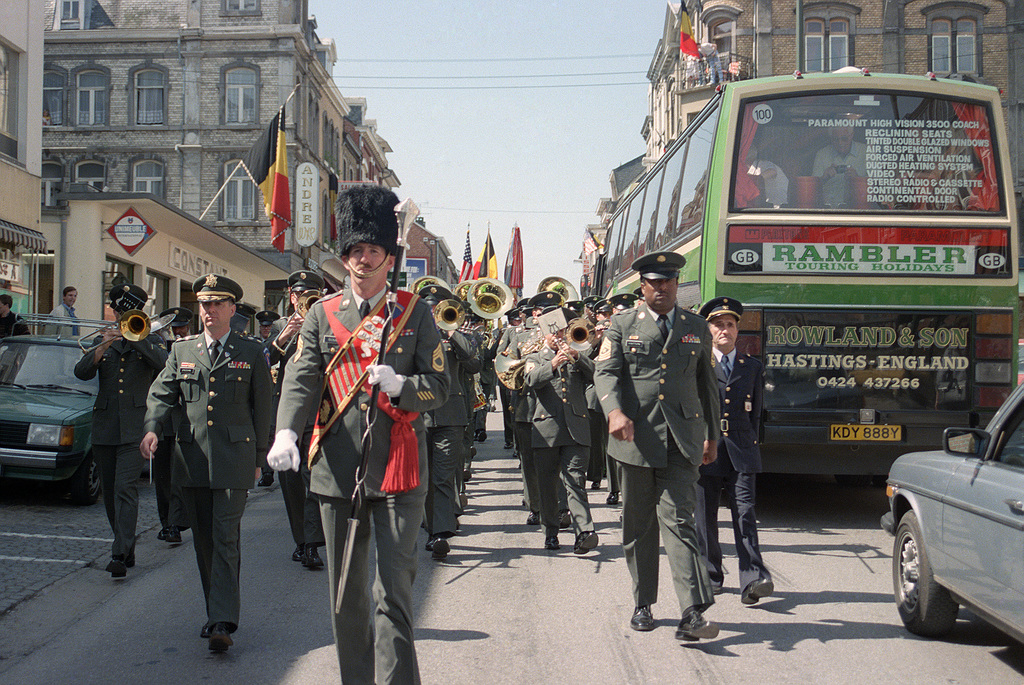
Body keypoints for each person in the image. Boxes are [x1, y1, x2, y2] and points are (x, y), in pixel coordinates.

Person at [266, 185, 449, 683]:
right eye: (354, 251)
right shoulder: (322, 315)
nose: (362, 260)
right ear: (344, 257)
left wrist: (404, 385)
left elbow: (441, 388)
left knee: (395, 596)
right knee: (346, 597)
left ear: (390, 257)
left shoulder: (414, 312)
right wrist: (286, 432)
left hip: (398, 469)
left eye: (372, 251)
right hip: (338, 472)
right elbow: (302, 377)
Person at [594, 251, 722, 641]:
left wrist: (712, 435)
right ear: (643, 286)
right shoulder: (621, 325)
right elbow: (606, 373)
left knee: (681, 521)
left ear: (676, 284)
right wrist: (614, 412)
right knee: (639, 526)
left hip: (682, 439)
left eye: (669, 281)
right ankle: (643, 602)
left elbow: (707, 386)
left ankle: (692, 612)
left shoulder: (696, 326)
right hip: (635, 440)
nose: (663, 287)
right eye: (655, 281)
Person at [140, 274, 273, 652]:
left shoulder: (250, 351)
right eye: (204, 304)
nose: (209, 311)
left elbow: (263, 407)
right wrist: (152, 429)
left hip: (235, 458)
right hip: (192, 459)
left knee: (225, 537)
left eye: (217, 304)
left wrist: (261, 458)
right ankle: (215, 610)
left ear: (233, 309)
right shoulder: (183, 351)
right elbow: (161, 394)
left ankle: (222, 621)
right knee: (203, 542)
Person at [74, 284, 168, 577]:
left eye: (126, 311)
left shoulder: (152, 339)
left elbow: (162, 364)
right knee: (111, 494)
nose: (120, 315)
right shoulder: (106, 340)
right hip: (105, 427)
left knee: (124, 489)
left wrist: (134, 336)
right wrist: (102, 346)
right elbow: (81, 372)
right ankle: (126, 544)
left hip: (136, 428)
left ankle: (118, 553)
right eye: (118, 311)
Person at [695, 297, 773, 604]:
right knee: (705, 517)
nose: (724, 330)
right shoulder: (699, 364)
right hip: (707, 449)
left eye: (730, 324)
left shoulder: (752, 366)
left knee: (745, 514)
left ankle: (752, 578)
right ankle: (712, 573)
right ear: (709, 330)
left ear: (737, 330)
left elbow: (755, 415)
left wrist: (751, 445)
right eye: (718, 325)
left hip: (741, 449)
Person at [523, 305, 598, 553]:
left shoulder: (578, 353)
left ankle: (584, 532)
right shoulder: (535, 358)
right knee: (547, 486)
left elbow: (598, 375)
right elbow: (531, 381)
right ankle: (551, 532)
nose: (556, 337)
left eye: (561, 332)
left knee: (576, 481)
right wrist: (553, 363)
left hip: (576, 429)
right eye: (552, 333)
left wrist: (577, 357)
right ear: (544, 334)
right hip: (546, 431)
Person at [265, 271, 327, 568]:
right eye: (297, 294)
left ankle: (313, 543)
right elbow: (262, 361)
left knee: (313, 477)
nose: (301, 299)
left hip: (318, 409)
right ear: (290, 295)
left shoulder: (327, 322)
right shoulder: (278, 326)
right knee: (290, 482)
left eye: (310, 294)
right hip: (287, 414)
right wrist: (285, 336)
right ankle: (301, 541)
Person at [419, 284, 478, 560]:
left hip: (451, 414)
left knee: (442, 477)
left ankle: (439, 533)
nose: (433, 312)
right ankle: (431, 525)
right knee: (425, 477)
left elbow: (473, 362)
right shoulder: (414, 334)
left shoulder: (456, 333)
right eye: (429, 308)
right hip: (419, 414)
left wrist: (452, 330)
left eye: (437, 308)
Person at [151, 306, 193, 545]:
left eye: (182, 327)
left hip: (183, 420)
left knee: (179, 476)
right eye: (173, 328)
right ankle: (167, 523)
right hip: (164, 420)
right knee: (163, 477)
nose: (178, 332)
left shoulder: (194, 347)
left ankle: (177, 522)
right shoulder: (158, 345)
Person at [811, 121, 867, 208]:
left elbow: (878, 187)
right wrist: (823, 178)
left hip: (860, 210)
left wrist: (857, 180)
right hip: (829, 211)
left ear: (851, 135)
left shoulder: (866, 152)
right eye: (836, 139)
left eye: (844, 138)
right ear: (830, 138)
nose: (840, 143)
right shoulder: (822, 154)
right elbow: (811, 190)